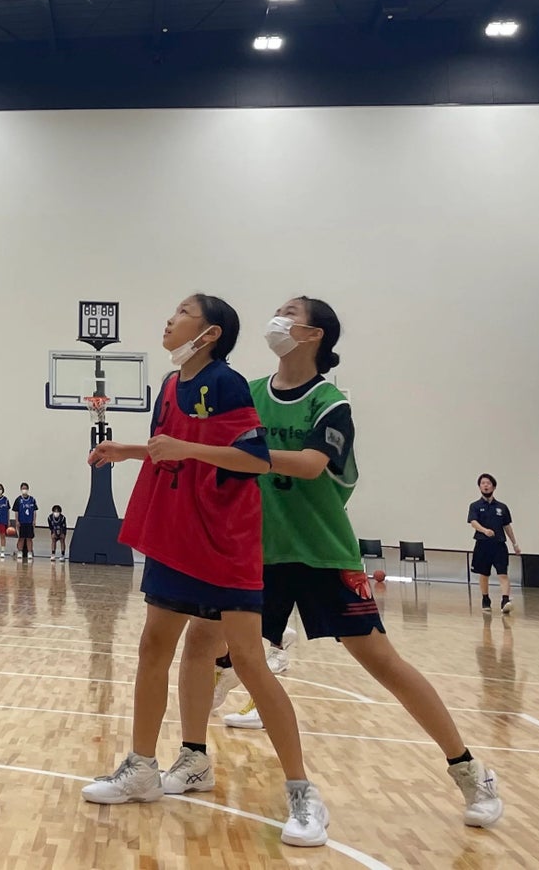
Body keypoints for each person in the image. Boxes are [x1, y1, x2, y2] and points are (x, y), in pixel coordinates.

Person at [187, 298, 504, 827]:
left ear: (313, 334)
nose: (277, 318)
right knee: (205, 641)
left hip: (323, 554)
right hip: (259, 554)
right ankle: (195, 753)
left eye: (290, 312)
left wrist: (240, 457)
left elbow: (311, 465)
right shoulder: (251, 394)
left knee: (384, 664)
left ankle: (469, 769)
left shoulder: (330, 403)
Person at [81, 293, 329, 848]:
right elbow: (171, 449)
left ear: (210, 332)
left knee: (248, 660)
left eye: (182, 312)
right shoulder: (170, 385)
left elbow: (253, 458)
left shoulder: (227, 383)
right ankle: (144, 767)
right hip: (177, 531)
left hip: (225, 539)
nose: (169, 319)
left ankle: (302, 791)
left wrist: (184, 450)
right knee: (153, 646)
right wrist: (130, 450)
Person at [469, 474, 520, 615]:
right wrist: (484, 530)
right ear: (479, 487)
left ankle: (505, 601)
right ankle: (485, 599)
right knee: (484, 574)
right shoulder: (475, 506)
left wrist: (515, 543)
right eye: (482, 483)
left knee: (503, 573)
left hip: (499, 545)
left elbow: (507, 526)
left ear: (494, 486)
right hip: (482, 544)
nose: (485, 485)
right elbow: (473, 522)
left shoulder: (502, 507)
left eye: (488, 483)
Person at [14, 483, 38, 562]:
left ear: (28, 489)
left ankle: (29, 552)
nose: (24, 490)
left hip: (29, 522)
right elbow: (16, 511)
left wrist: (34, 520)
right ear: (21, 489)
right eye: (23, 488)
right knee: (21, 538)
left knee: (29, 538)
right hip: (21, 522)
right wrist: (17, 521)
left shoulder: (32, 500)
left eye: (26, 488)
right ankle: (20, 552)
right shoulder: (18, 500)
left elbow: (34, 511)